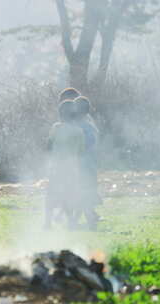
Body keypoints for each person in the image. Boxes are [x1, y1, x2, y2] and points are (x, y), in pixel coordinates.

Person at [45, 100, 86, 229]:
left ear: (61, 114)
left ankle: (47, 223)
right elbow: (81, 151)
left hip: (57, 167)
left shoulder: (56, 128)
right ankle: (70, 222)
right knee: (69, 194)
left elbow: (49, 146)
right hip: (72, 167)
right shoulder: (79, 131)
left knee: (51, 194)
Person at [74, 96, 101, 229]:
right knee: (85, 193)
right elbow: (93, 144)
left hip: (81, 164)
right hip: (87, 164)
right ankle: (87, 218)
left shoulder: (76, 126)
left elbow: (87, 145)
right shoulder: (89, 126)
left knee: (82, 193)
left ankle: (80, 219)